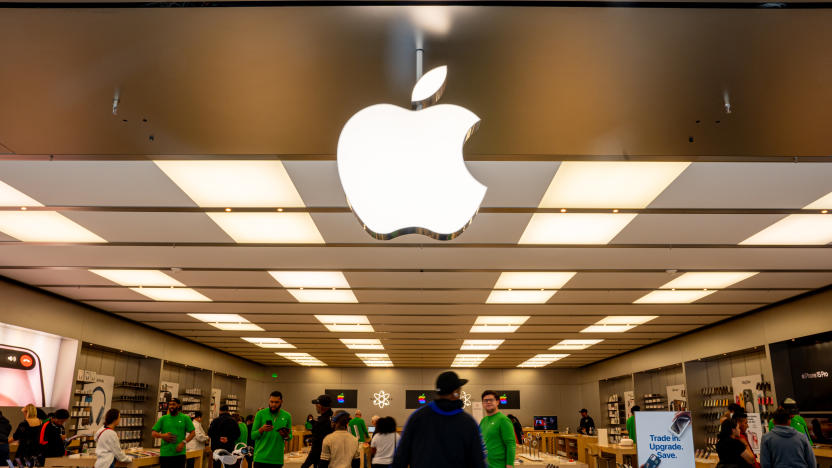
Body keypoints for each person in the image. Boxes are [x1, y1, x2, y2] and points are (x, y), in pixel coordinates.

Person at [392, 371, 487, 468]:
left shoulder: (417, 417)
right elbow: (478, 461)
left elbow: (400, 457)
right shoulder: (468, 422)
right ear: (455, 393)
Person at [251, 390, 293, 468]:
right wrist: (262, 429)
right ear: (269, 401)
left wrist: (285, 435)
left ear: (281, 402)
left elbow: (289, 437)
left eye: (276, 402)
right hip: (260, 458)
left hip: (277, 459)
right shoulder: (260, 414)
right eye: (271, 402)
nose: (273, 404)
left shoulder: (287, 416)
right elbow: (253, 436)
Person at [152, 398, 196, 468]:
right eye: (170, 404)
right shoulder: (163, 418)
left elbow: (193, 433)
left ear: (178, 405)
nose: (171, 406)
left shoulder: (185, 418)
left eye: (173, 404)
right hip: (165, 454)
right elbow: (153, 433)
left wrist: (183, 443)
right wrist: (163, 436)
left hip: (179, 454)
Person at [479, 390, 515, 468]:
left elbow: (510, 444)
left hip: (499, 465)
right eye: (485, 400)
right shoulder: (483, 421)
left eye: (491, 400)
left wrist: (510, 464)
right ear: (482, 404)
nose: (488, 402)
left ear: (497, 402)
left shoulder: (503, 420)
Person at [301, 394, 334, 468]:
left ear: (320, 406)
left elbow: (316, 448)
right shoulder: (334, 419)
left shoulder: (321, 422)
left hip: (321, 460)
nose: (315, 406)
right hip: (333, 459)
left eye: (317, 404)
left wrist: (305, 465)